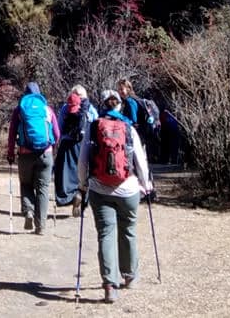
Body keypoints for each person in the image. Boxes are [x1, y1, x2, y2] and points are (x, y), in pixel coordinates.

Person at [78, 89, 154, 303]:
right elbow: (140, 159)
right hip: (128, 188)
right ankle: (129, 275)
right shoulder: (129, 128)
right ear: (120, 106)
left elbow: (83, 161)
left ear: (103, 106)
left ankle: (110, 286)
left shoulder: (93, 127)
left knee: (106, 234)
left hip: (100, 189)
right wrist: (146, 185)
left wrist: (83, 185)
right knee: (128, 231)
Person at [6, 81, 61, 234]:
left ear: (25, 93)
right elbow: (57, 134)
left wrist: (10, 152)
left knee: (26, 184)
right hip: (45, 153)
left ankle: (29, 211)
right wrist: (52, 146)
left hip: (25, 154)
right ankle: (41, 226)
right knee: (43, 189)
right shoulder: (47, 109)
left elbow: (11, 134)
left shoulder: (19, 110)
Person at [54, 85, 98, 216]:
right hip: (85, 144)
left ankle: (69, 196)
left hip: (67, 144)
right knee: (84, 173)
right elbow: (96, 125)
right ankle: (82, 199)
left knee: (65, 174)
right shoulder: (90, 109)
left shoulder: (66, 108)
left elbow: (59, 127)